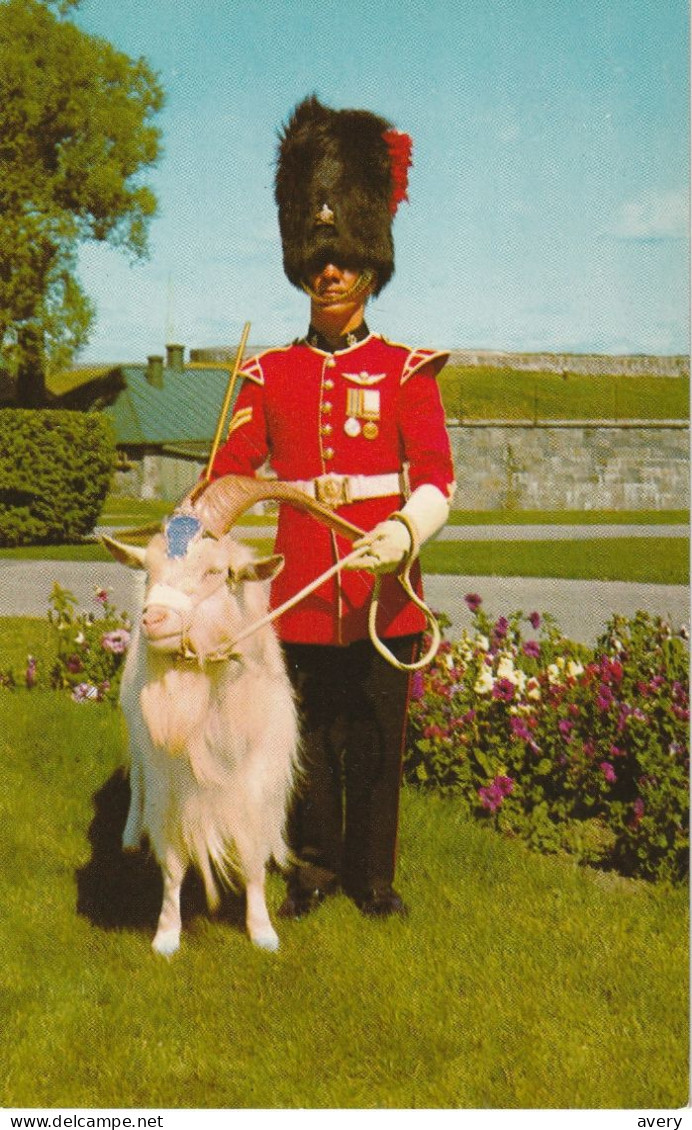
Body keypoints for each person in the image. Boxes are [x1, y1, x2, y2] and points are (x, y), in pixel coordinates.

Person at [207, 96, 455, 919]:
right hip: (304, 596)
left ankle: (372, 879)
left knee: (377, 749)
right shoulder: (268, 375)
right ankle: (311, 868)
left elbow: (437, 480)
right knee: (306, 743)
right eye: (318, 258)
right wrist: (177, 541)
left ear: (371, 263)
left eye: (345, 255)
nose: (330, 271)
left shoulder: (406, 371)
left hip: (386, 595)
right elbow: (226, 479)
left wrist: (404, 531)